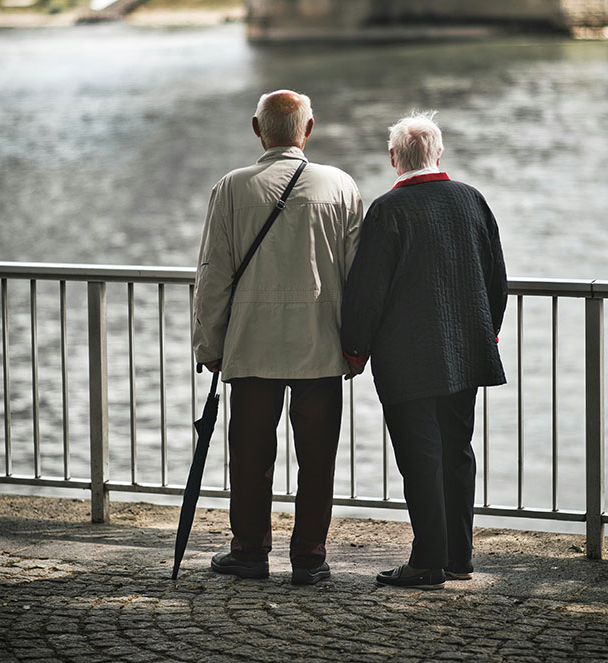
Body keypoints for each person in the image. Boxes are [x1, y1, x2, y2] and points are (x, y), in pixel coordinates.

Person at [193, 90, 362, 585]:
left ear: (256, 128)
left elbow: (213, 276)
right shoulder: (340, 185)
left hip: (251, 348)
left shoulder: (231, 188)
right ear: (308, 130)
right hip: (320, 348)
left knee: (250, 459)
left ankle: (249, 553)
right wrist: (356, 347)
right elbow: (359, 278)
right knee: (317, 460)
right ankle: (309, 558)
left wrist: (210, 345)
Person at [341, 112, 507, 590]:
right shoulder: (472, 199)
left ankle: (427, 562)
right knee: (457, 452)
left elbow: (367, 290)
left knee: (420, 460)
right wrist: (487, 332)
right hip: (467, 352)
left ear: (394, 158)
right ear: (439, 153)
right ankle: (459, 558)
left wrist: (355, 349)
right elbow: (497, 279)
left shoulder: (389, 211)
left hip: (408, 359)